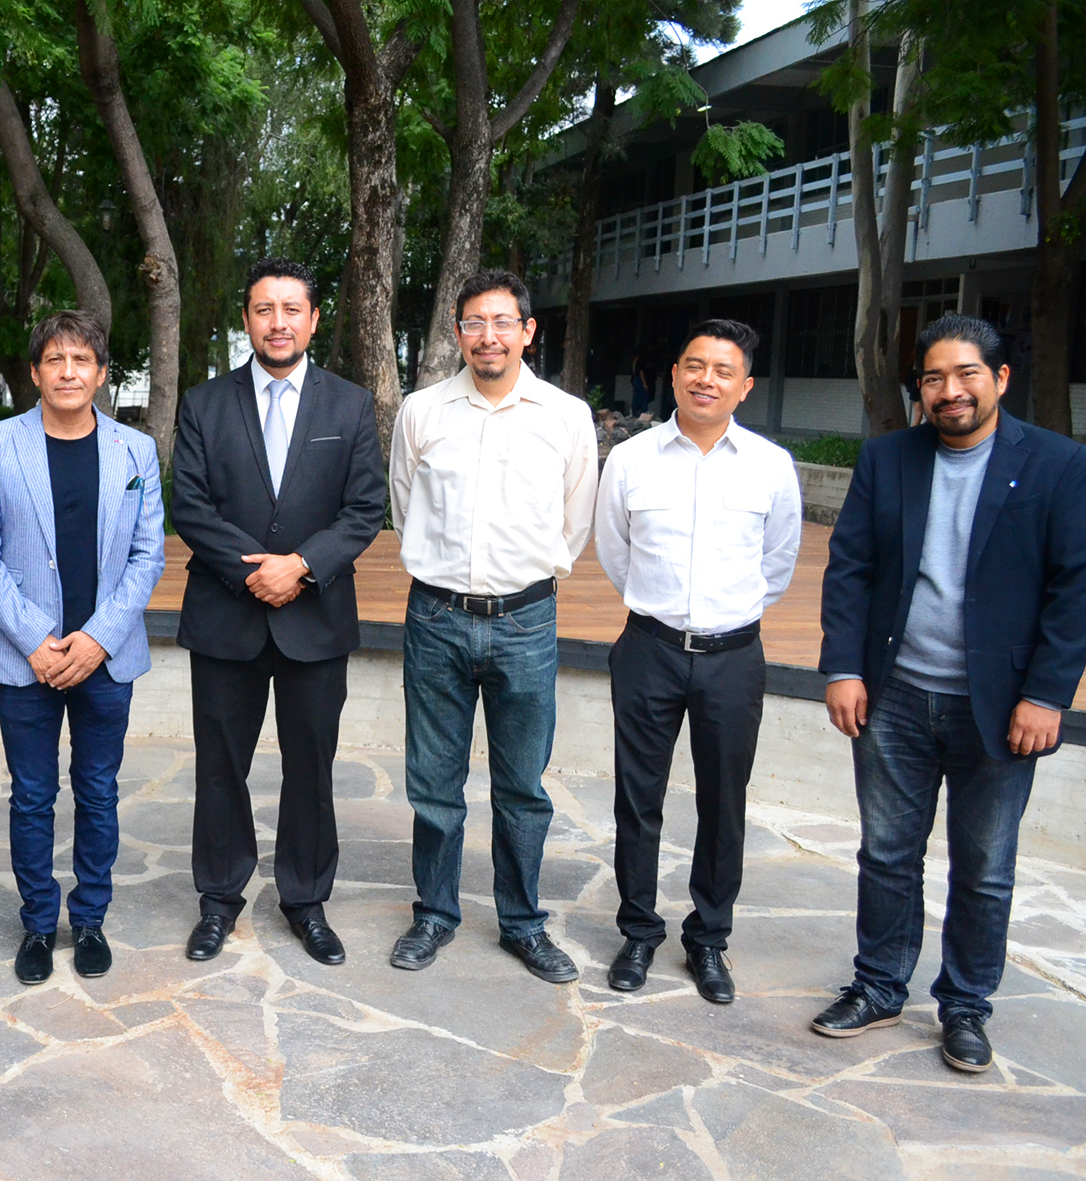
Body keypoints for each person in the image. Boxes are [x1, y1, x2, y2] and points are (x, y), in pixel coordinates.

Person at [812, 314, 1086, 1072]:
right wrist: (842, 667)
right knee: (886, 853)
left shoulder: (1055, 462)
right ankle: (879, 985)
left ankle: (966, 1005)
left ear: (999, 379)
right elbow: (850, 567)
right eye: (934, 377)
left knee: (984, 865)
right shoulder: (888, 458)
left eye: (966, 374)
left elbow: (1078, 587)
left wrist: (1046, 693)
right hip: (895, 695)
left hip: (1002, 710)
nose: (950, 391)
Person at [170, 258, 386, 966]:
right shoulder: (203, 404)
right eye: (265, 309)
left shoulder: (350, 406)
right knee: (220, 767)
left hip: (315, 615)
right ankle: (219, 898)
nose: (279, 322)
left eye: (293, 308)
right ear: (246, 320)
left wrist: (303, 566)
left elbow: (365, 509)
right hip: (226, 615)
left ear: (314, 318)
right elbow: (192, 506)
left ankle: (305, 899)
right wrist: (256, 573)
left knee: (311, 768)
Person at [387, 269, 599, 984]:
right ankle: (435, 914)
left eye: (503, 321)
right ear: (457, 330)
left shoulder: (566, 417)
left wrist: (521, 583)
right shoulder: (422, 412)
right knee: (434, 782)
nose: (488, 335)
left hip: (526, 619)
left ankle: (522, 922)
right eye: (474, 322)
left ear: (528, 331)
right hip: (437, 615)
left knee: (522, 786)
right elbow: (403, 504)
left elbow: (574, 522)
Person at [593, 319, 802, 1003]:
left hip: (733, 657)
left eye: (722, 369)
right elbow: (615, 552)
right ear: (676, 372)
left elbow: (777, 565)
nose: (705, 378)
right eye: (693, 364)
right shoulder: (632, 459)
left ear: (744, 386)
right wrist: (661, 612)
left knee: (723, 803)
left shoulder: (771, 466)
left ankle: (709, 939)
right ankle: (638, 931)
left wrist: (721, 620)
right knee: (638, 798)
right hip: (648, 647)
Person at [0, 311, 165, 985]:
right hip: (29, 658)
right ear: (36, 371)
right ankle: (37, 923)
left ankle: (91, 918)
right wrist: (36, 642)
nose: (69, 371)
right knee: (31, 794)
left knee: (98, 789)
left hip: (107, 657)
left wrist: (98, 639)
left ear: (102, 373)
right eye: (56, 359)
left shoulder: (135, 452)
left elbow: (147, 554)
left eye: (82, 360)